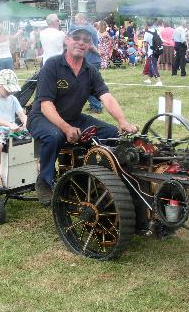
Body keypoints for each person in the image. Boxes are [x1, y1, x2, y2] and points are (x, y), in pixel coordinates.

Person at [27, 27, 137, 205]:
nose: (81, 42)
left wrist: (122, 121)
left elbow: (106, 98)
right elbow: (46, 104)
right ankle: (44, 180)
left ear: (90, 45)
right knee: (55, 136)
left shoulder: (90, 70)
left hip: (74, 117)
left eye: (86, 40)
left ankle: (97, 178)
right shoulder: (53, 65)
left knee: (112, 133)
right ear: (67, 41)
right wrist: (66, 128)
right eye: (76, 38)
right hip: (42, 117)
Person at [0, 69, 27, 190]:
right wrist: (9, 124)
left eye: (11, 89)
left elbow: (21, 114)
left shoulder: (13, 99)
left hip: (11, 129)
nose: (10, 91)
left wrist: (26, 122)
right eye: (7, 88)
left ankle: (30, 169)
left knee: (31, 140)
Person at [72, 13, 103, 114]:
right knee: (93, 85)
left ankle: (97, 106)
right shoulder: (92, 28)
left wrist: (98, 53)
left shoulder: (86, 30)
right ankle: (95, 105)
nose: (75, 23)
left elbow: (90, 45)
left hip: (90, 61)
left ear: (82, 20)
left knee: (84, 85)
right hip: (93, 60)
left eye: (76, 20)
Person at [143, 20, 162, 86]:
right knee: (151, 65)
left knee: (153, 66)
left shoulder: (147, 33)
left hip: (151, 51)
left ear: (146, 25)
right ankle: (148, 79)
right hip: (158, 50)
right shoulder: (156, 31)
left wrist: (146, 51)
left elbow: (145, 44)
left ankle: (159, 81)